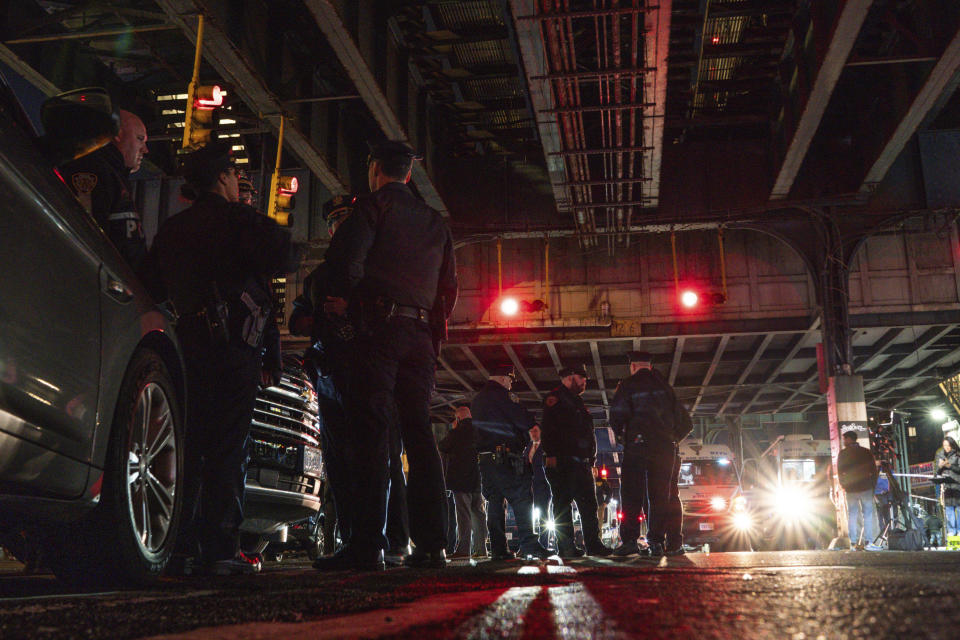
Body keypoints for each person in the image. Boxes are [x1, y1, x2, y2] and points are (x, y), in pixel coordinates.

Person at [143, 142, 296, 575]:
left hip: (189, 344)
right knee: (229, 449)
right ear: (225, 178)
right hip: (235, 349)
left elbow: (151, 284)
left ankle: (178, 547)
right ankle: (220, 551)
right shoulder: (237, 220)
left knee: (187, 447)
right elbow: (285, 255)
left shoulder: (173, 229)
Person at [316, 140, 457, 571]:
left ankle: (368, 545)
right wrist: (430, 335)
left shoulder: (371, 208)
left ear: (375, 169)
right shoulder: (435, 221)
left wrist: (351, 308)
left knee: (371, 435)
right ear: (409, 174)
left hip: (378, 332)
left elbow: (347, 265)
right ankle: (432, 545)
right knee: (419, 435)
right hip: (419, 335)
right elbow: (449, 288)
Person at [609, 351, 693, 557]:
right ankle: (656, 542)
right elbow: (686, 423)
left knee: (631, 494)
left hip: (637, 447)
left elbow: (616, 416)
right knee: (660, 496)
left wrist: (624, 438)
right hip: (664, 449)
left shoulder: (627, 385)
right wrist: (671, 439)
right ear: (650, 366)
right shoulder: (666, 388)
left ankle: (629, 541)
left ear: (633, 366)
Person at [472, 365, 551, 560]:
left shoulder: (478, 399)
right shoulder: (503, 396)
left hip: (486, 460)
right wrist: (531, 426)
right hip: (505, 458)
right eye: (509, 380)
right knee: (522, 499)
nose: (510, 384)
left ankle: (499, 549)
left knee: (495, 503)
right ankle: (529, 544)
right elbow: (521, 418)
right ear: (503, 378)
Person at [60, 108, 149, 273]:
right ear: (117, 134)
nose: (145, 149)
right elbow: (88, 239)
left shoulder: (113, 175)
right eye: (140, 139)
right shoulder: (94, 170)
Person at [540, 364, 610, 558]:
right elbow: (548, 431)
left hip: (582, 463)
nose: (584, 382)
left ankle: (593, 545)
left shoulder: (577, 401)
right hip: (563, 461)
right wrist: (552, 456)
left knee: (588, 506)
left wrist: (591, 459)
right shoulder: (554, 399)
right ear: (570, 376)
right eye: (581, 378)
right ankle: (566, 547)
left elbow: (587, 432)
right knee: (563, 505)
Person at [438, 404, 487, 559]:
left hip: (460, 482)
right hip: (477, 480)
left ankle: (464, 549)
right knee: (479, 515)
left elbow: (442, 446)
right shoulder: (479, 432)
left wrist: (453, 429)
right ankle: (481, 549)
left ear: (458, 418)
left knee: (463, 516)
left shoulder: (456, 433)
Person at [837, 430, 880, 550]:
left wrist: (844, 484)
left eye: (845, 439)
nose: (844, 441)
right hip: (866, 487)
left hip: (851, 488)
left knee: (852, 515)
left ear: (850, 439)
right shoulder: (866, 452)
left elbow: (840, 471)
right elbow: (873, 470)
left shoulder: (843, 453)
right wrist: (872, 484)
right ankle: (869, 542)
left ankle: (853, 543)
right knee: (868, 515)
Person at [934, 436, 960, 537]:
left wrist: (950, 466)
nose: (946, 447)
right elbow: (937, 472)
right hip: (947, 487)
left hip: (957, 486)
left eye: (948, 445)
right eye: (944, 445)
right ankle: (952, 531)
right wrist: (940, 467)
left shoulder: (958, 454)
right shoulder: (940, 455)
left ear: (952, 445)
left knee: (959, 509)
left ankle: (959, 531)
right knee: (949, 510)